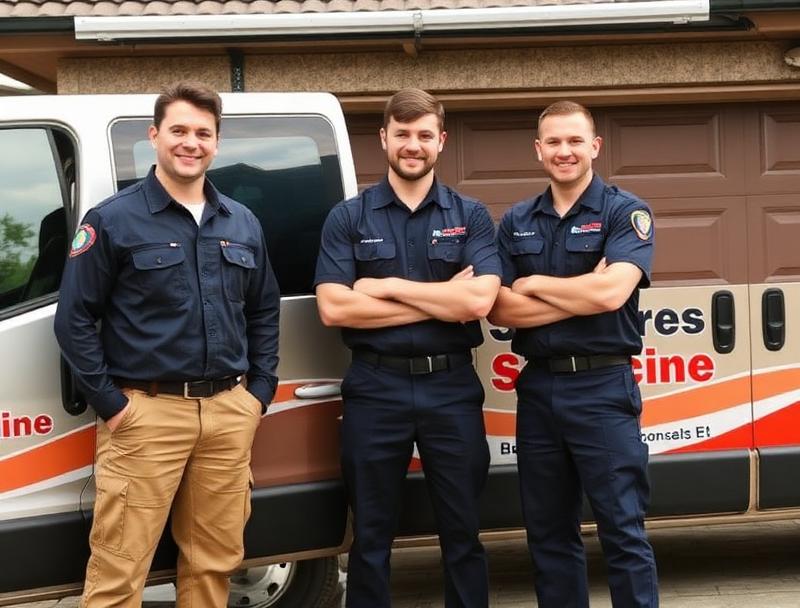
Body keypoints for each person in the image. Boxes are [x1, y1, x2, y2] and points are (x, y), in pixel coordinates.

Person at [54, 81, 279, 607]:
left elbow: (264, 309)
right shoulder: (112, 219)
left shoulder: (242, 221)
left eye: (203, 133)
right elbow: (74, 319)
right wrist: (113, 405)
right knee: (118, 569)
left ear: (217, 143)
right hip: (146, 415)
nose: (190, 142)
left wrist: (259, 392)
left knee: (214, 564)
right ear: (154, 135)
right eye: (179, 130)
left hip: (228, 414)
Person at [314, 88, 501, 608]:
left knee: (462, 531)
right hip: (376, 387)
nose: (412, 145)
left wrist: (385, 287)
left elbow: (479, 300)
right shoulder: (348, 218)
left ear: (441, 141)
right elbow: (334, 308)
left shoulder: (471, 215)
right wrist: (443, 301)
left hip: (451, 387)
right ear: (383, 138)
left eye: (423, 135)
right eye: (402, 134)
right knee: (371, 536)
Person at [488, 100, 658, 608]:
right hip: (539, 389)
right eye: (554, 142)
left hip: (603, 388)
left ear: (595, 147)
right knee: (548, 533)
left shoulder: (625, 212)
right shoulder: (516, 220)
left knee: (622, 529)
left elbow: (611, 294)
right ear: (538, 150)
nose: (565, 151)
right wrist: (584, 289)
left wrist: (534, 283)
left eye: (575, 141)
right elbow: (500, 308)